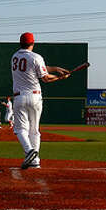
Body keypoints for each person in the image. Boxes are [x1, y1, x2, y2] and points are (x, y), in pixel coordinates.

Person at [10, 32, 72, 169]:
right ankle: (34, 157)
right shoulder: (36, 57)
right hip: (35, 97)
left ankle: (29, 152)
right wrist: (59, 77)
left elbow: (37, 69)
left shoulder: (14, 57)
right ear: (33, 43)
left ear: (20, 43)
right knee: (35, 130)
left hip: (19, 97)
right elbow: (44, 77)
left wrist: (55, 69)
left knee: (20, 129)